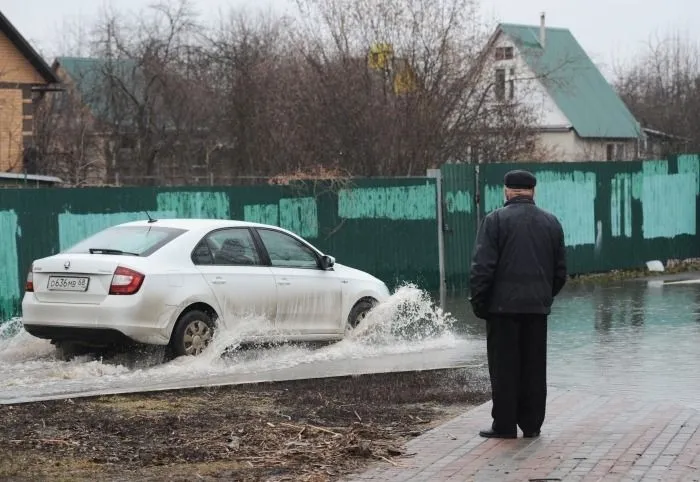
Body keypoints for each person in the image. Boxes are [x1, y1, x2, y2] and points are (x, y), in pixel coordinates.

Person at [469, 169, 567, 439]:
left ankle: (504, 425)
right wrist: (544, 297)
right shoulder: (551, 222)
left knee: (504, 368)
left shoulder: (495, 221)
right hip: (537, 310)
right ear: (533, 191)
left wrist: (480, 304)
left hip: (502, 311)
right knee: (534, 368)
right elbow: (560, 273)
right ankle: (532, 425)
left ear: (506, 191)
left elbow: (482, 268)